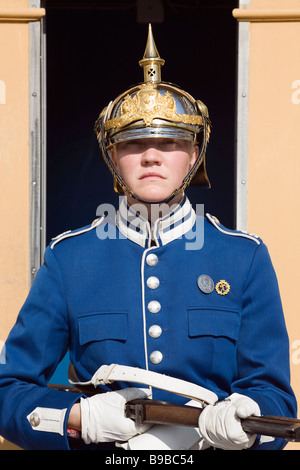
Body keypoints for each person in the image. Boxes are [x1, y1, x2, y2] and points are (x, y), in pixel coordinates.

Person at [0, 24, 297, 451]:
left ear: (195, 155)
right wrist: (78, 418)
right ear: (112, 156)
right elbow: (9, 389)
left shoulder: (242, 258)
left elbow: (276, 400)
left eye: (171, 141)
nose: (152, 154)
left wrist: (243, 425)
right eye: (133, 142)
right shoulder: (70, 260)